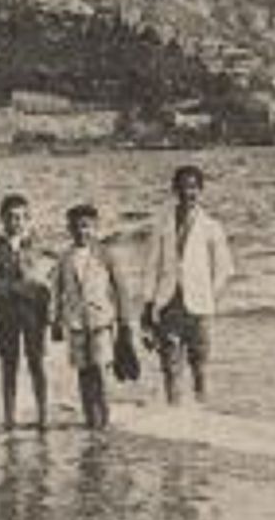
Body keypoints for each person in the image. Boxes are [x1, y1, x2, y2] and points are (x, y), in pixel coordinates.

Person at [142, 164, 240, 405]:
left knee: (200, 366)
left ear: (201, 190)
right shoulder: (162, 224)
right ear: (175, 190)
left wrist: (210, 297)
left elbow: (224, 269)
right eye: (184, 187)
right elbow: (152, 266)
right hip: (168, 303)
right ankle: (175, 415)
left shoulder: (211, 227)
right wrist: (148, 304)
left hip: (199, 307)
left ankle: (200, 416)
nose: (189, 193)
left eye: (194, 187)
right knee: (170, 366)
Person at [50, 204, 127, 430]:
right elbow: (57, 289)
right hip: (75, 322)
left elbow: (120, 288)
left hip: (100, 321)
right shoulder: (64, 258)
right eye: (75, 227)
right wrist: (55, 319)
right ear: (69, 229)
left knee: (100, 371)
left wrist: (123, 321)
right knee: (83, 372)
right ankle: (89, 419)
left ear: (95, 227)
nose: (81, 231)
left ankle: (104, 418)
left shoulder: (105, 254)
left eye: (85, 226)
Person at [0, 194, 54, 430]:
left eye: (22, 217)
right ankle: (9, 417)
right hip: (6, 312)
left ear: (29, 218)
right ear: (2, 219)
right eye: (12, 217)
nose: (17, 222)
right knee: (8, 364)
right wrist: (5, 287)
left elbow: (55, 271)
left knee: (37, 363)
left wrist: (47, 296)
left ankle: (43, 415)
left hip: (34, 312)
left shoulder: (39, 242)